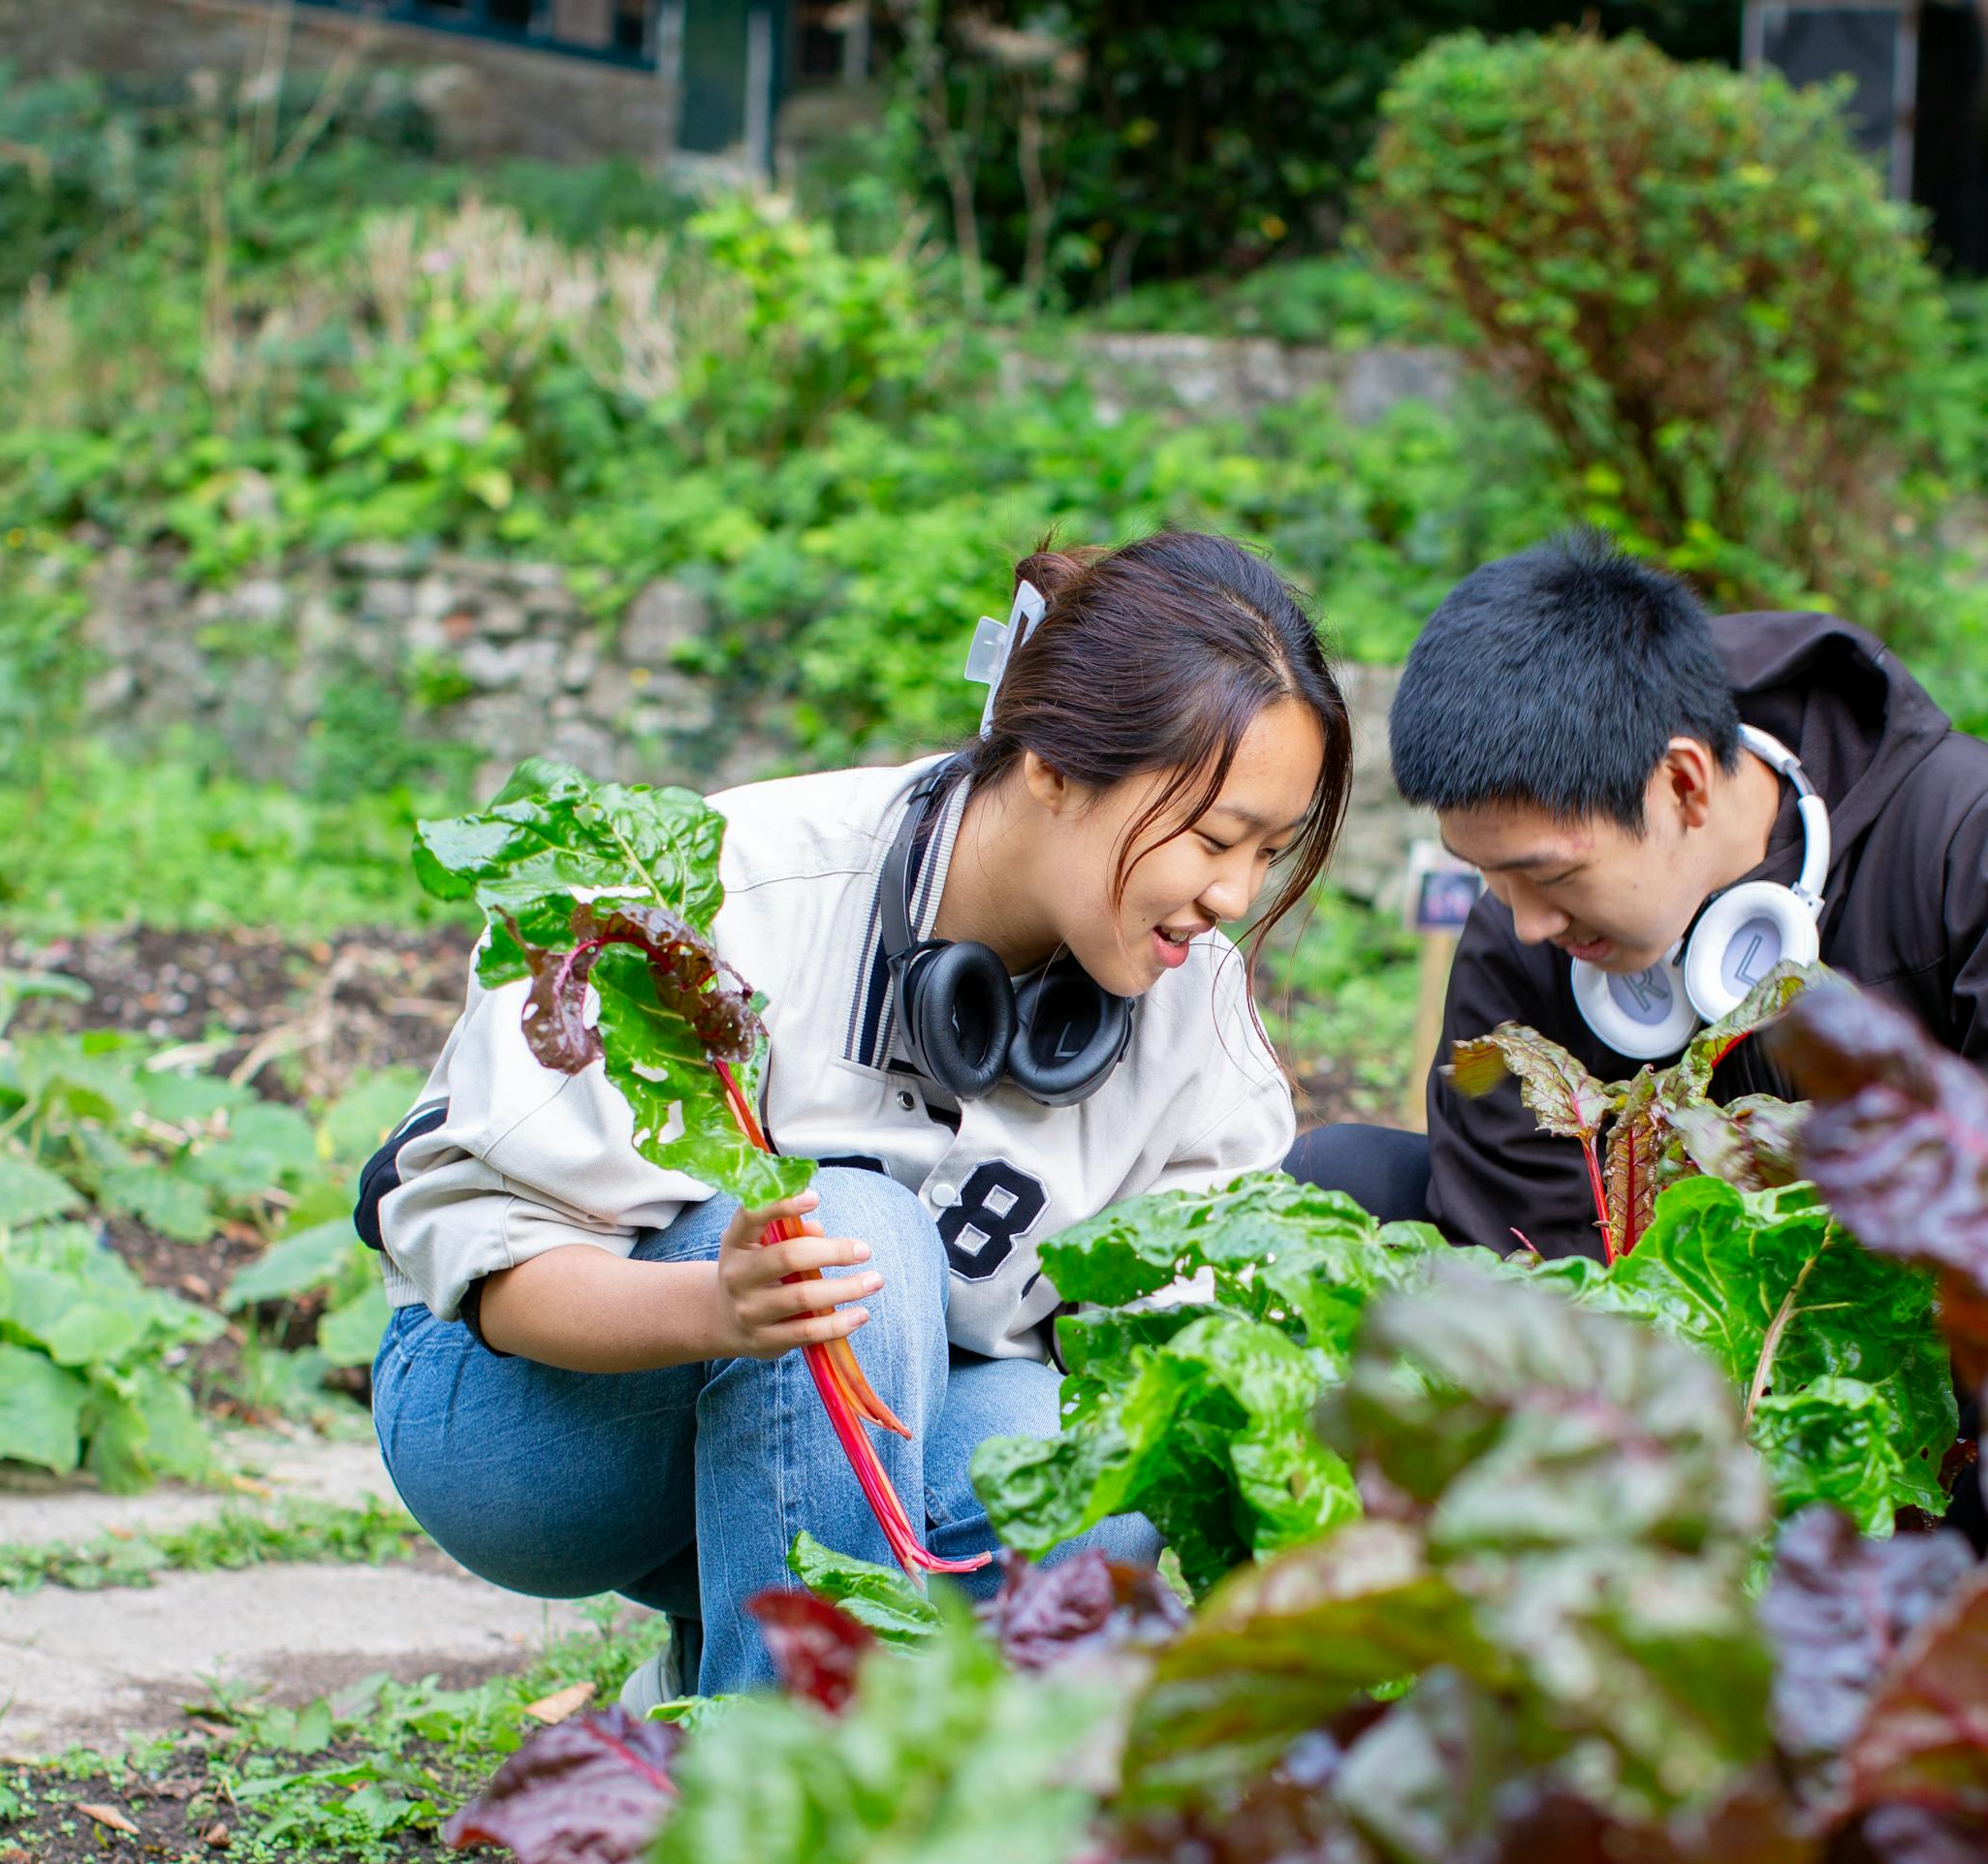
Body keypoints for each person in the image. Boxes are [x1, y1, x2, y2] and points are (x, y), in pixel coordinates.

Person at [360, 532, 1347, 1697]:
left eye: (1269, 854)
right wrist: (714, 1305)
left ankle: (728, 1695)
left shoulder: (1197, 1015)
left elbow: (1185, 1367)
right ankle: (775, 1807)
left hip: (875, 1447)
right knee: (854, 1235)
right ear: (1051, 767)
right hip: (531, 1421)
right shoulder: (733, 886)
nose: (1232, 896)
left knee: (1088, 1489)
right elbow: (491, 1254)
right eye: (1211, 837)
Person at [1287, 534, 1988, 1338]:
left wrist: (1843, 1286)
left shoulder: (1961, 832)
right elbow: (1521, 1245)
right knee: (1343, 1182)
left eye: (1552, 875)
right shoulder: (1516, 937)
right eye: (1485, 874)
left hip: (1909, 1351)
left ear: (1685, 785)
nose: (1524, 922)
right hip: (1659, 1403)